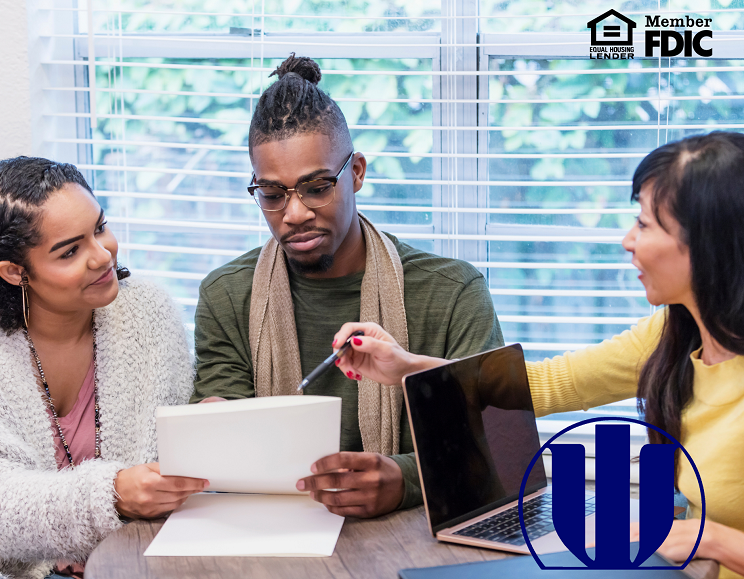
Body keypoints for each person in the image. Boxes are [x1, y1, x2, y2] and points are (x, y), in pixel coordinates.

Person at [330, 131, 744, 577]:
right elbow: (545, 384)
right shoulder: (672, 335)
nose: (628, 241)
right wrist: (406, 367)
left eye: (644, 224)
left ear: (708, 243)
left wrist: (711, 537)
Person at [190, 53, 503, 518]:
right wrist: (214, 428)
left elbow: (498, 449)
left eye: (317, 187)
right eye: (273, 195)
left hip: (413, 541)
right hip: (274, 533)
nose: (294, 214)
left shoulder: (451, 293)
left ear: (355, 171)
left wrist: (404, 481)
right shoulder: (227, 296)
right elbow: (224, 454)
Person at [0, 158, 208, 579]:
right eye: (70, 251)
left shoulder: (147, 316)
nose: (103, 255)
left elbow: (168, 464)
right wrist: (111, 495)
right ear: (15, 271)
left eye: (99, 228)